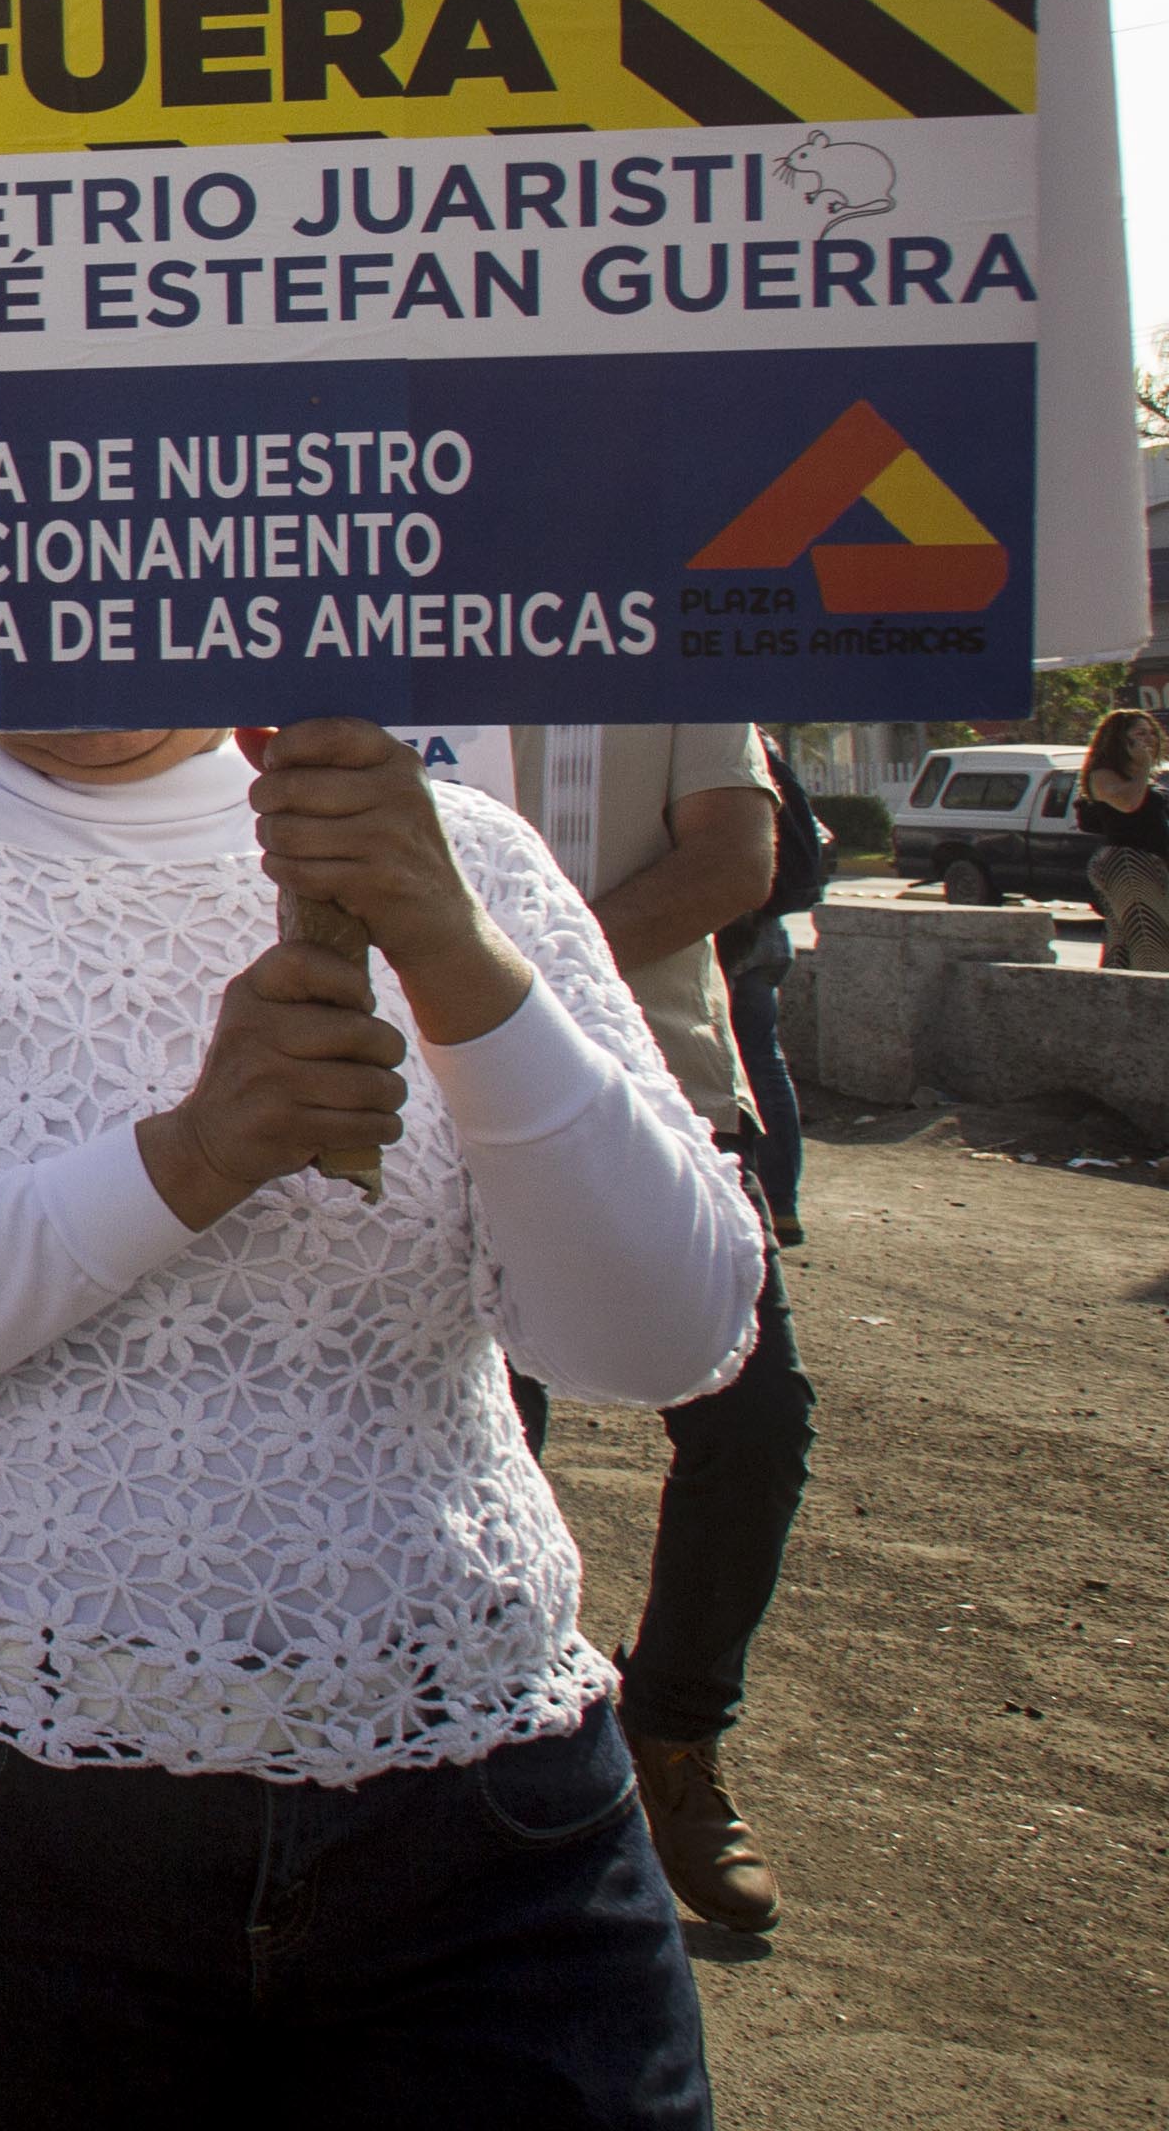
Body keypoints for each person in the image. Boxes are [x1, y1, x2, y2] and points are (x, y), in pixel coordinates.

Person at [0, 719, 765, 2123]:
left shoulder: (463, 852)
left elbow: (666, 1336)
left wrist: (450, 948)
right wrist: (194, 1154)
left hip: (477, 1831)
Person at [502, 721, 803, 1935]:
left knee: (756, 1427)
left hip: (667, 1085)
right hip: (442, 1095)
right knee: (481, 1434)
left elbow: (734, 859)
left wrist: (508, 973)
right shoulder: (410, 632)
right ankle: (505, 1754)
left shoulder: (672, 647)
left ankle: (674, 1733)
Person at [721, 739, 833, 1248]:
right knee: (765, 1066)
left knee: (722, 1071)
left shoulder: (715, 749)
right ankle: (783, 1205)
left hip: (727, 936)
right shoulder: (765, 750)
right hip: (768, 935)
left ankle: (745, 1205)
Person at [1079, 707, 1169, 972]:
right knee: (1149, 941)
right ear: (1119, 739)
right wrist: (1143, 768)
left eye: (1152, 733)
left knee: (1123, 943)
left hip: (1151, 863)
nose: (1149, 739)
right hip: (1128, 864)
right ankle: (1152, 995)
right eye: (1140, 733)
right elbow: (1128, 804)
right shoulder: (1102, 774)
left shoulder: (1141, 777)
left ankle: (1118, 992)